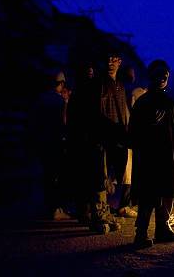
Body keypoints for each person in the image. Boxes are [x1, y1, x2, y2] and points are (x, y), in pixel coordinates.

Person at [130, 60, 174, 249]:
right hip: (149, 156)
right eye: (159, 73)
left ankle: (162, 229)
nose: (163, 77)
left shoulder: (168, 101)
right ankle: (140, 234)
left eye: (165, 74)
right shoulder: (143, 102)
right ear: (151, 76)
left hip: (167, 154)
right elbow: (133, 131)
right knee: (149, 194)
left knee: (167, 192)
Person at [67, 63, 119, 233]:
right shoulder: (82, 95)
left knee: (96, 177)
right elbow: (93, 118)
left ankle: (96, 213)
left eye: (91, 73)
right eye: (86, 73)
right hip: (88, 141)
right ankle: (97, 216)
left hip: (92, 140)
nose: (90, 75)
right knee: (96, 179)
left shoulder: (85, 93)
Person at [29, 71, 72, 221]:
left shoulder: (40, 99)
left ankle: (48, 207)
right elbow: (64, 122)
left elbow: (33, 122)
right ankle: (56, 209)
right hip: (56, 142)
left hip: (42, 142)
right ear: (61, 84)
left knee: (47, 176)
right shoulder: (60, 101)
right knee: (57, 176)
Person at [101, 52, 136, 218]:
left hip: (121, 133)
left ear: (119, 62)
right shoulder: (101, 84)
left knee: (126, 170)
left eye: (113, 59)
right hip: (105, 134)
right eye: (107, 59)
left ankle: (123, 205)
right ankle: (100, 209)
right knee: (104, 171)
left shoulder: (120, 86)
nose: (110, 63)